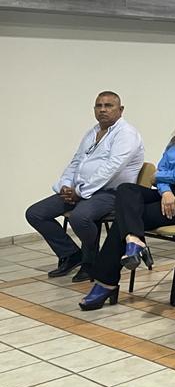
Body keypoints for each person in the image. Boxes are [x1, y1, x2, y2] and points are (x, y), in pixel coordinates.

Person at [81, 98, 175, 310]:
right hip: (169, 194)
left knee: (124, 219)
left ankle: (106, 282)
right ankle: (134, 240)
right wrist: (165, 191)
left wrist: (162, 179)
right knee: (126, 190)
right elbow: (161, 169)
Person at [26, 91, 144, 283]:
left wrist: (80, 192)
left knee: (80, 217)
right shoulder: (92, 132)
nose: (103, 110)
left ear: (120, 109)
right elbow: (76, 162)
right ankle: (71, 254)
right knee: (35, 213)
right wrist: (65, 185)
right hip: (81, 191)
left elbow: (111, 168)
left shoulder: (126, 134)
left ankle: (92, 260)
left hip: (112, 194)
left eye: (108, 106)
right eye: (99, 106)